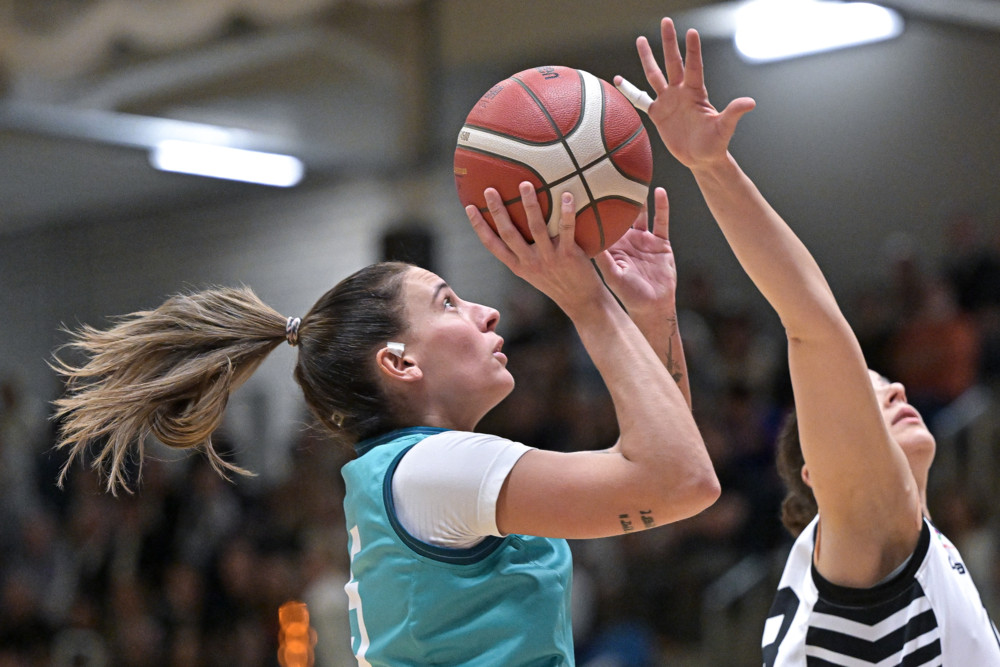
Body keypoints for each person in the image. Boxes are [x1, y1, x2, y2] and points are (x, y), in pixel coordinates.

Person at [50, 176, 720, 664]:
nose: (486, 311)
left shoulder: (419, 468)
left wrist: (651, 316)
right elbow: (680, 480)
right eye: (450, 302)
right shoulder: (434, 469)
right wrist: (590, 305)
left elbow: (676, 474)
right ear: (399, 362)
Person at [617, 16, 1000, 665]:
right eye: (871, 394)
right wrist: (712, 167)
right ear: (822, 473)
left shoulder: (905, 546)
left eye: (881, 385)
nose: (897, 387)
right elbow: (814, 325)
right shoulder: (866, 528)